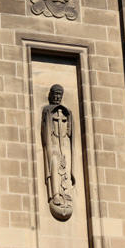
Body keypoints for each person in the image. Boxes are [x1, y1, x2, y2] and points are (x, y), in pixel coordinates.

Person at [41, 84, 75, 221]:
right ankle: (55, 193)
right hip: (53, 143)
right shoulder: (47, 111)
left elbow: (70, 130)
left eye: (59, 95)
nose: (56, 97)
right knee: (54, 165)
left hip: (64, 144)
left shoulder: (67, 112)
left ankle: (65, 193)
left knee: (65, 168)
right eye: (54, 95)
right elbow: (46, 131)